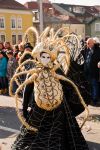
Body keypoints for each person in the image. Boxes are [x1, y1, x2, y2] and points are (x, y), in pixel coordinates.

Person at [10, 27, 89, 150]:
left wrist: (69, 92)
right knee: (36, 131)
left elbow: (67, 83)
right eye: (43, 57)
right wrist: (24, 108)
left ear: (51, 57)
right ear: (38, 56)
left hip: (59, 107)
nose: (45, 60)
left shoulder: (56, 69)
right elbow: (27, 89)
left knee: (59, 130)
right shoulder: (34, 71)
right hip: (39, 107)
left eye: (48, 57)